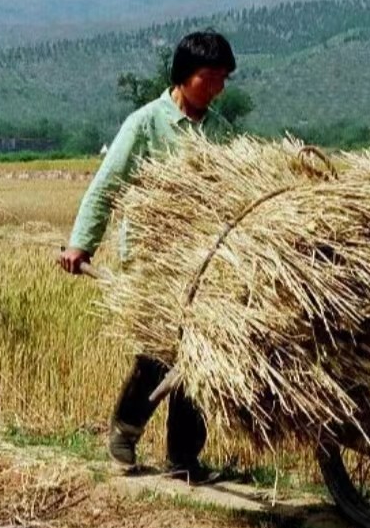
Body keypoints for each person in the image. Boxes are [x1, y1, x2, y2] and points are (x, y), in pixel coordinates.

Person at [58, 30, 237, 482]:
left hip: (203, 261)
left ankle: (183, 460)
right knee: (158, 354)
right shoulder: (145, 124)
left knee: (198, 359)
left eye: (223, 79)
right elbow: (106, 187)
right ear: (183, 75)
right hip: (154, 261)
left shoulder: (219, 131)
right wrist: (83, 243)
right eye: (208, 78)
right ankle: (124, 432)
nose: (216, 88)